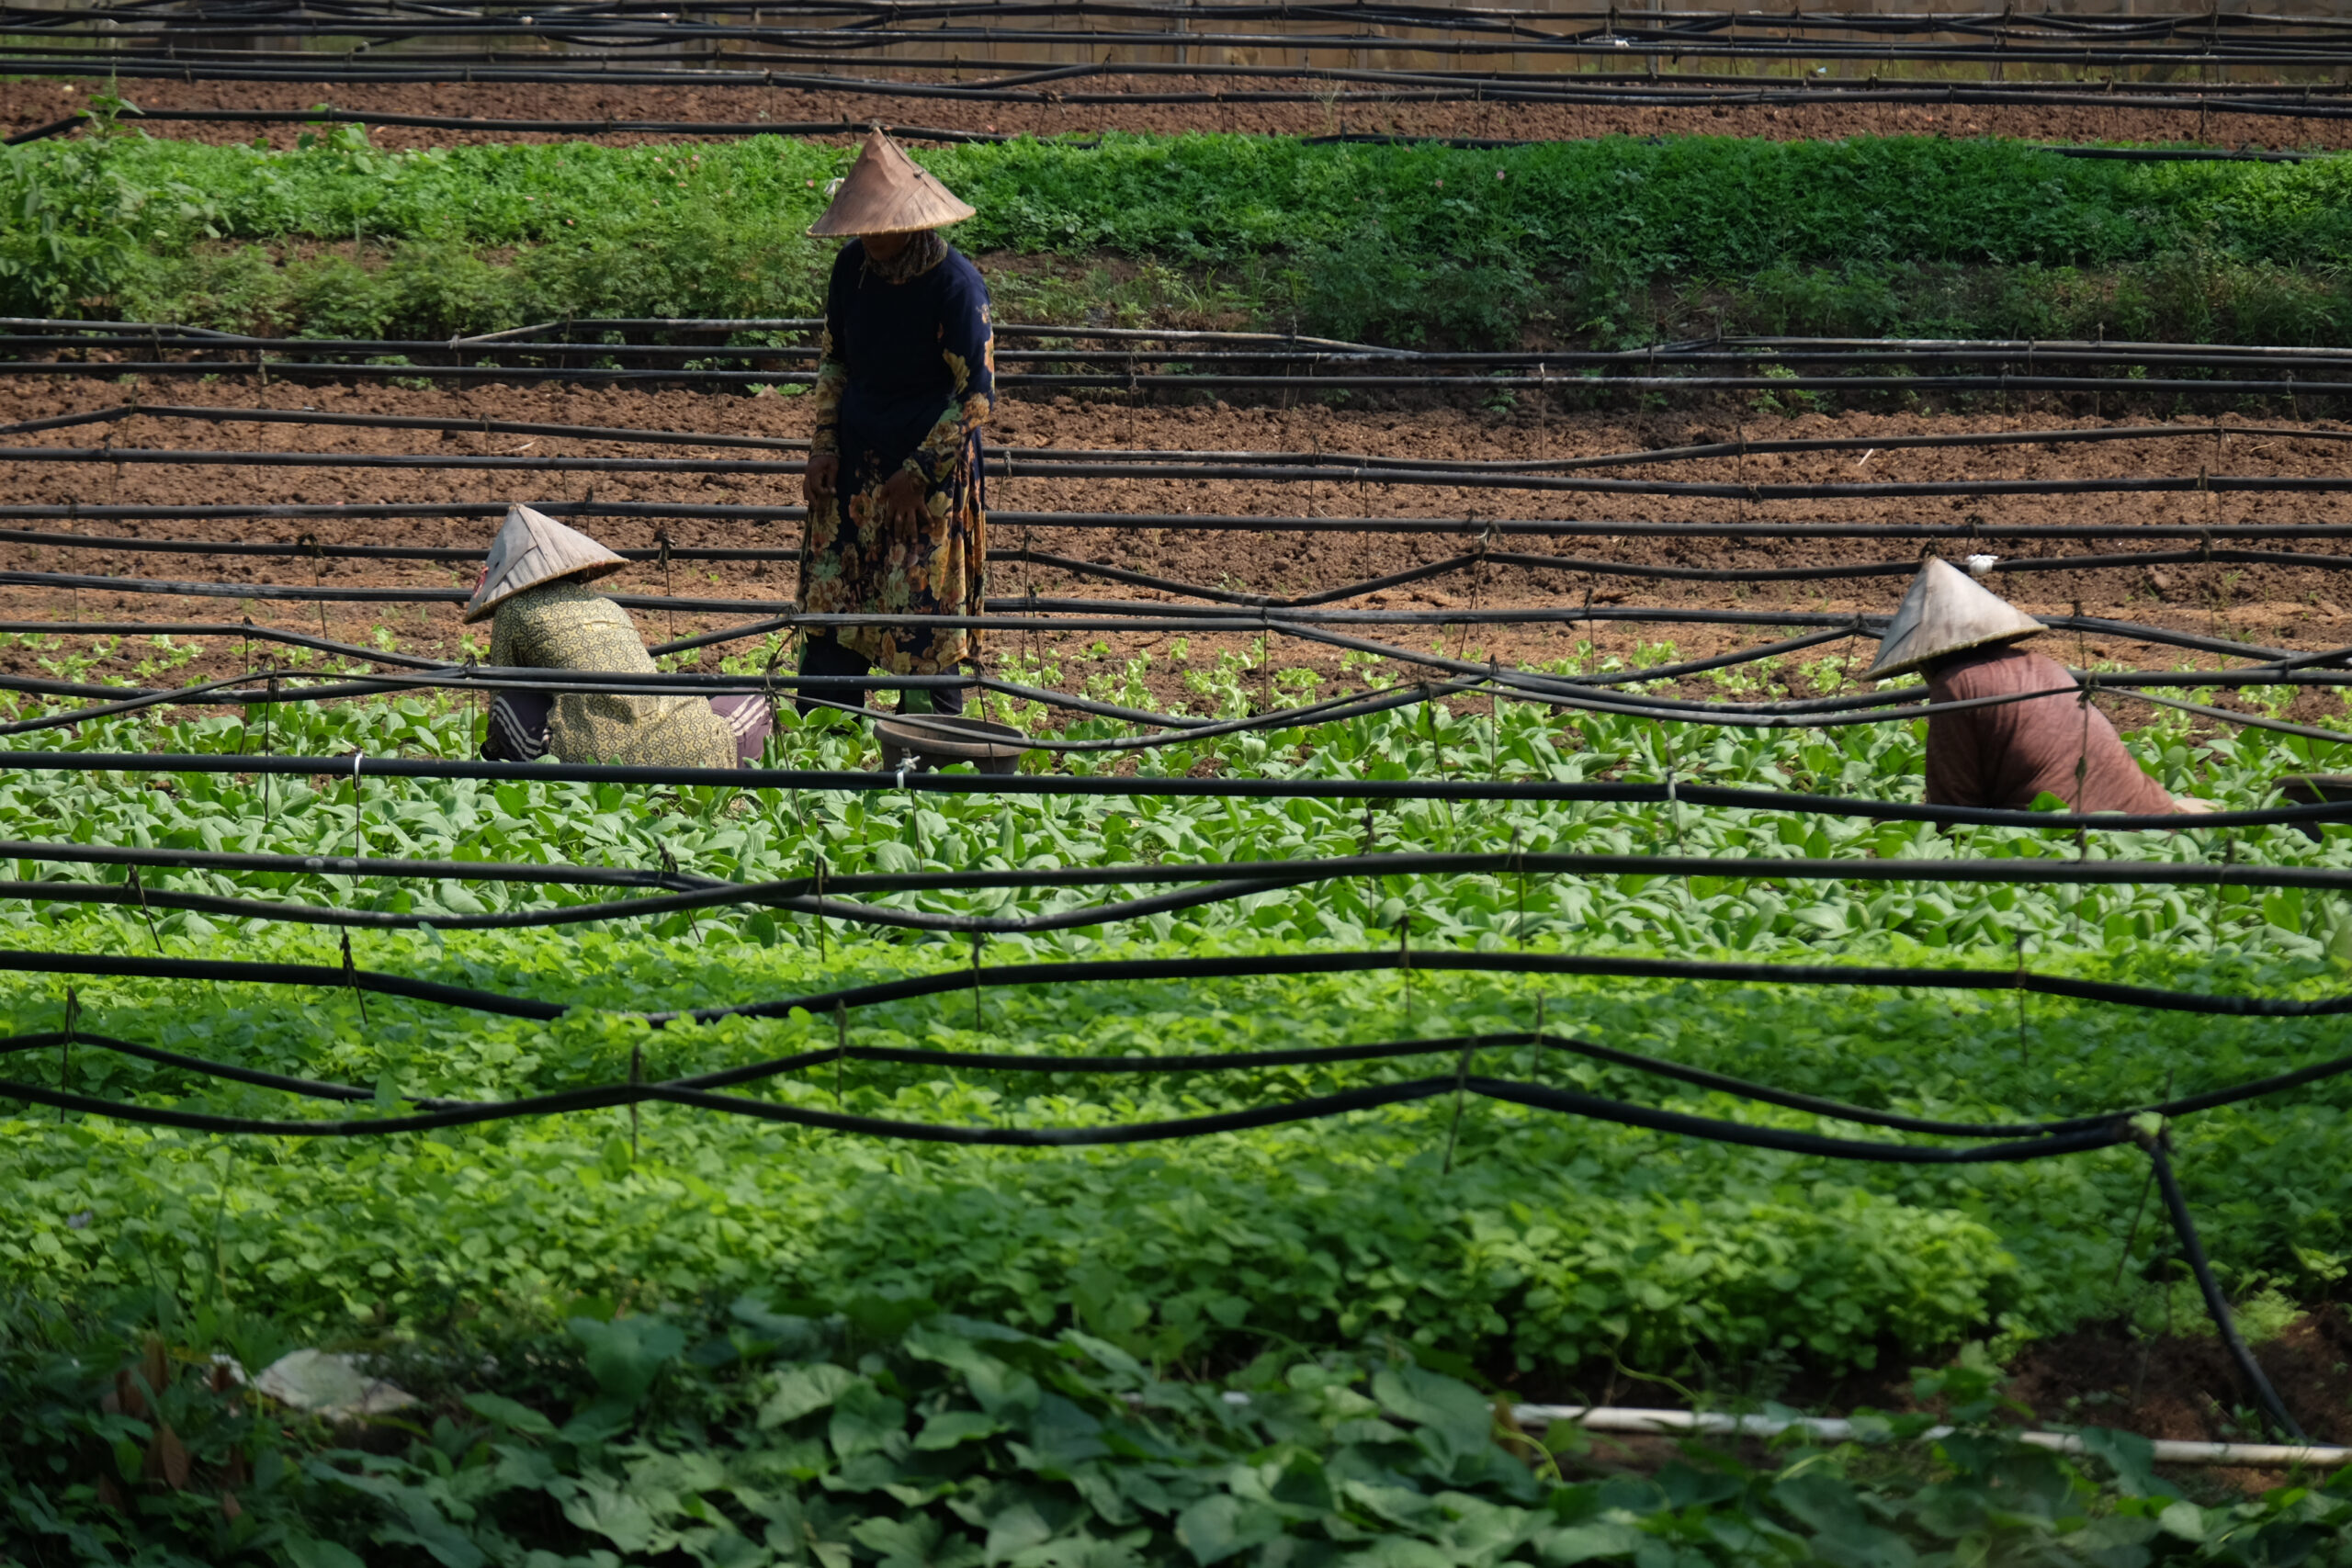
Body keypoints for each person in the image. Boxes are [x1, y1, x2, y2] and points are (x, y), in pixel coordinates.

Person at [797, 129, 994, 718]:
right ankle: (823, 742)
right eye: (862, 228)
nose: (869, 239)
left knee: (923, 622)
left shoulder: (955, 286)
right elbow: (836, 358)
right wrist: (825, 445)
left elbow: (976, 397)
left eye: (880, 229)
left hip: (925, 481)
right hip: (854, 467)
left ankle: (926, 751)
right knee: (836, 614)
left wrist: (919, 471)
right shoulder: (851, 269)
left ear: (911, 224)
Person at [1866, 558, 2208, 814]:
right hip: (2147, 816)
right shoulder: (2040, 663)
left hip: (2066, 839)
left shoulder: (1955, 685)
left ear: (1924, 658)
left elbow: (1954, 809)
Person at [464, 504, 772, 767]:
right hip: (688, 746)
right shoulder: (605, 605)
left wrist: (490, 756)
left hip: (595, 759)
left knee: (507, 703)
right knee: (755, 697)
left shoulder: (513, 610)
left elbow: (500, 691)